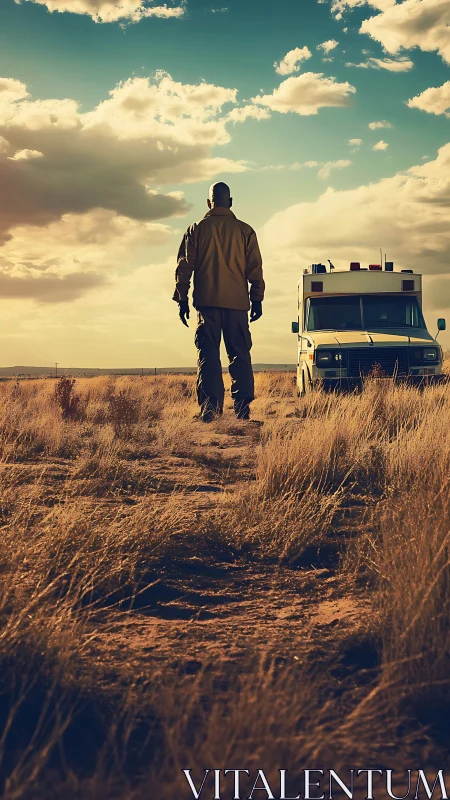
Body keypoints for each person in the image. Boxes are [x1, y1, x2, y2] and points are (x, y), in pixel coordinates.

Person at [173, 182, 265, 423]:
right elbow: (255, 268)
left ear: (208, 203)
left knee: (208, 357)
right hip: (237, 305)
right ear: (231, 202)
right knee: (240, 356)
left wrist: (181, 298)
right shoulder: (245, 231)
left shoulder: (196, 229)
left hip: (207, 304)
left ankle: (210, 411)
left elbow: (184, 267)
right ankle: (243, 410)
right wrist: (257, 299)